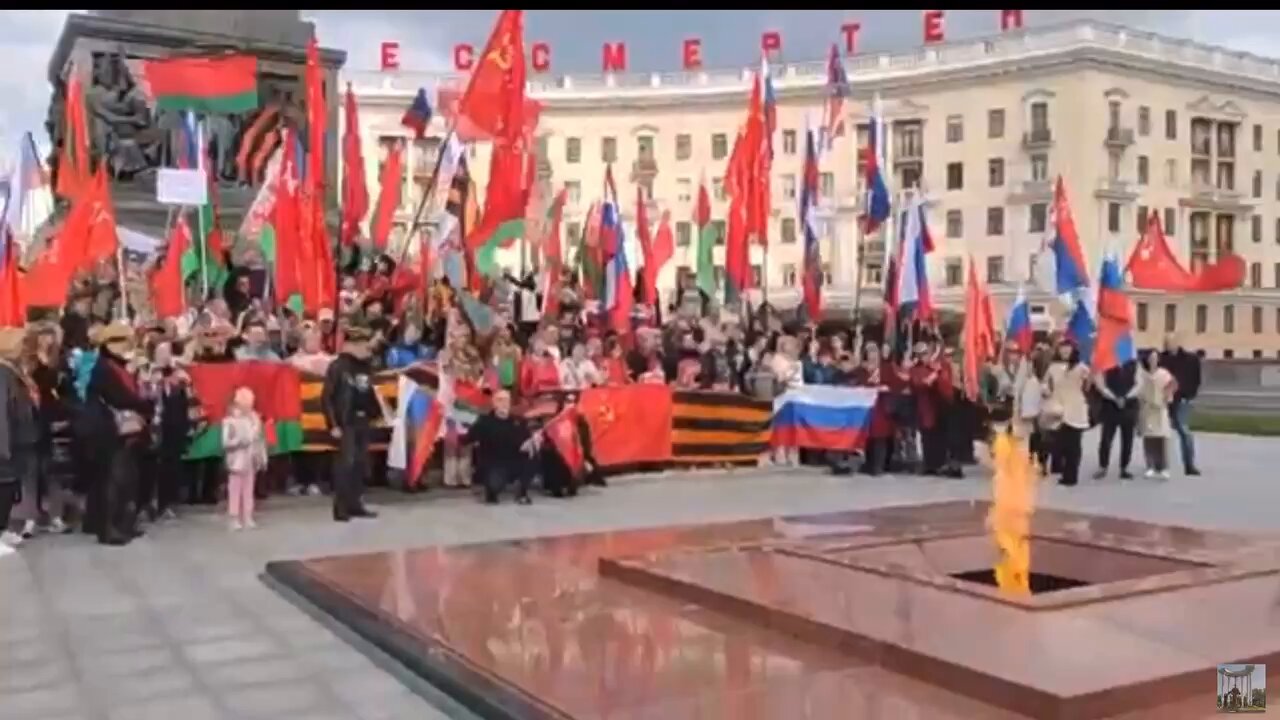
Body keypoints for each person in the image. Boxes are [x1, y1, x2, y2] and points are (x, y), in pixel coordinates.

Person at [77, 324, 153, 545]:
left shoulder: (106, 365)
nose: (126, 346)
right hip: (105, 428)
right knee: (114, 478)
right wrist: (145, 404)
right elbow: (119, 397)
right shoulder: (105, 368)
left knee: (107, 477)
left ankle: (101, 523)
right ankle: (110, 528)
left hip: (102, 426)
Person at [321, 325, 383, 522]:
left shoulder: (365, 367)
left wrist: (377, 412)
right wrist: (332, 424)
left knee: (360, 464)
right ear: (351, 345)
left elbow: (368, 392)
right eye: (364, 345)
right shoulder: (338, 367)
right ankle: (341, 507)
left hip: (362, 420)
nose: (367, 349)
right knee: (345, 464)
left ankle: (356, 503)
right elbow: (327, 398)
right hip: (345, 421)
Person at [463, 389, 537, 505]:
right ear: (494, 403)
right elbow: (468, 439)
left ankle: (522, 491)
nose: (503, 403)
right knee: (493, 488)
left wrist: (531, 443)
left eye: (506, 400)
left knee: (533, 455)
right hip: (494, 463)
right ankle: (490, 490)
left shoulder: (518, 421)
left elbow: (527, 439)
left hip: (514, 461)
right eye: (500, 400)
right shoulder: (485, 421)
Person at [0, 328, 38, 551]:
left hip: (17, 440)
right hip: (8, 442)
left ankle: (4, 530)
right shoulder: (3, 373)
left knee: (11, 485)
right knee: (4, 487)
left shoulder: (12, 370)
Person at [1045, 339, 1091, 487]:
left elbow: (1089, 384)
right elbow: (1047, 383)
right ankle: (1064, 471)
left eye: (1068, 348)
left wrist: (1089, 378)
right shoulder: (1053, 367)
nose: (1065, 351)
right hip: (1058, 408)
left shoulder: (1080, 367)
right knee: (1060, 443)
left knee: (1074, 444)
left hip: (1075, 408)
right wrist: (1045, 390)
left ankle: (1071, 476)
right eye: (1062, 348)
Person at [222, 386, 268, 530]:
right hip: (236, 460)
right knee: (234, 490)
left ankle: (248, 516)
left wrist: (262, 457)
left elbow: (260, 440)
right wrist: (239, 442)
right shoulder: (229, 421)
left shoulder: (255, 419)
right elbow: (225, 442)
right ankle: (234, 517)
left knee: (249, 489)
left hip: (251, 459)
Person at [1159, 334, 1202, 476]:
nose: (1167, 345)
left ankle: (1189, 465)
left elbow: (1196, 379)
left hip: (1181, 399)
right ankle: (1158, 464)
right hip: (1163, 400)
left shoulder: (1190, 359)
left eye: (1170, 343)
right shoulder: (1160, 359)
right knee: (1159, 432)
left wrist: (1189, 395)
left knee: (1184, 431)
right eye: (1166, 343)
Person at [1093, 357, 1139, 480]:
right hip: (1110, 406)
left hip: (1129, 406)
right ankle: (1103, 466)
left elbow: (1139, 384)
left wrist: (1126, 398)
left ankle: (1124, 468)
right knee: (1106, 439)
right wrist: (1114, 398)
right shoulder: (1106, 364)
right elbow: (1100, 384)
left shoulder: (1134, 364)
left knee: (1128, 439)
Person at [1138, 349, 1177, 479]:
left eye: (1155, 357)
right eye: (1151, 357)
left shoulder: (1163, 373)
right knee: (1148, 438)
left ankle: (1163, 467)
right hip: (1147, 408)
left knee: (1161, 438)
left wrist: (1167, 396)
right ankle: (1150, 466)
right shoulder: (1142, 374)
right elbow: (1138, 389)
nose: (1153, 360)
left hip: (1160, 408)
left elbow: (1173, 385)